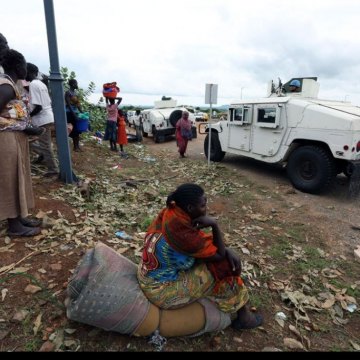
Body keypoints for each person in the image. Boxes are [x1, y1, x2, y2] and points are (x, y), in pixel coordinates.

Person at [137, 183, 263, 331]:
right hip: (162, 292)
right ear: (190, 208)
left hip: (148, 274)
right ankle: (244, 317)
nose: (206, 209)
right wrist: (214, 225)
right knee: (223, 265)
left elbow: (202, 243)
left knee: (219, 259)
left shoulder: (172, 212)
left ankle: (236, 301)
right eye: (203, 205)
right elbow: (218, 255)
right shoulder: (183, 235)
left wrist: (225, 249)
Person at [0, 48, 41, 236]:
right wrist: (20, 127)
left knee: (18, 176)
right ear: (18, 67)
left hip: (15, 138)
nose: (27, 68)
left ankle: (19, 216)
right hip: (6, 139)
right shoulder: (6, 87)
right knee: (10, 179)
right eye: (24, 64)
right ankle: (14, 226)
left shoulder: (12, 85)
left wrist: (25, 128)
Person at [26, 63, 59, 177]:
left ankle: (53, 170)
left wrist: (28, 115)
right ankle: (43, 156)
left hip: (42, 119)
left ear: (28, 72)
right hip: (47, 116)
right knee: (34, 141)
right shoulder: (41, 83)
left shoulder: (33, 85)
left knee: (44, 144)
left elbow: (38, 107)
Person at [65, 79, 83, 151]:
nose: (77, 84)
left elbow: (78, 104)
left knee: (77, 130)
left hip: (75, 113)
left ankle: (77, 146)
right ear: (72, 84)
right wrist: (74, 115)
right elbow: (68, 105)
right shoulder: (68, 93)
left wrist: (82, 113)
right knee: (73, 129)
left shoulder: (75, 93)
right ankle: (75, 147)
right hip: (69, 113)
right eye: (76, 83)